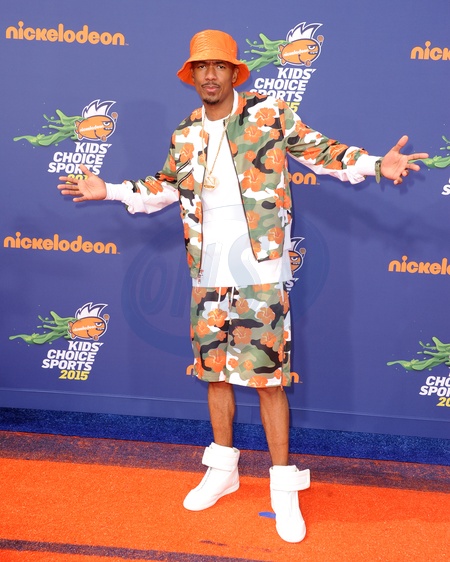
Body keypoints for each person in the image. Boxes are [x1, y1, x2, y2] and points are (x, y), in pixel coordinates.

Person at [57, 29, 428, 544]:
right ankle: (223, 470)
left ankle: (282, 485)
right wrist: (111, 190)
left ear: (234, 72)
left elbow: (321, 151)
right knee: (215, 374)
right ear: (192, 75)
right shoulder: (185, 133)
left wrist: (373, 165)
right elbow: (164, 187)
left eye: (218, 66)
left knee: (269, 379)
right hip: (207, 270)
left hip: (262, 269)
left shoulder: (269, 113)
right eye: (200, 67)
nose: (209, 75)